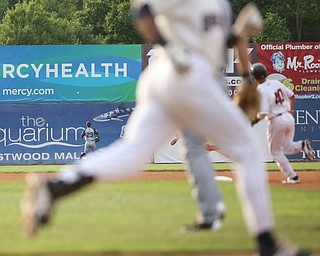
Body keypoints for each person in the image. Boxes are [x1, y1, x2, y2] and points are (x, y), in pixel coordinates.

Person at [21, 1, 312, 255]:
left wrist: (240, 42)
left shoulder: (219, 6)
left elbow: (217, 41)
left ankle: (53, 187)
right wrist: (168, 44)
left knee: (133, 154)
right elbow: (143, 10)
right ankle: (267, 245)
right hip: (184, 72)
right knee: (248, 151)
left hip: (169, 79)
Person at [250, 63, 314, 184]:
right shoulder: (276, 83)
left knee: (275, 152)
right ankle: (302, 145)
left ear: (254, 77)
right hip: (288, 117)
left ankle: (293, 177)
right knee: (285, 147)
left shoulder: (260, 90)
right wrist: (289, 109)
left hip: (277, 120)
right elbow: (292, 95)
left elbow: (263, 113)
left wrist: (254, 120)